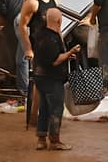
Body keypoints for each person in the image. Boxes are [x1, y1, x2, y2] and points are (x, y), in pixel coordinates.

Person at [31, 8, 81, 151]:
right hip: (51, 78)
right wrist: (70, 53)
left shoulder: (41, 34)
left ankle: (41, 139)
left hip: (40, 77)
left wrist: (66, 55)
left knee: (45, 108)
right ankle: (55, 140)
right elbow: (54, 60)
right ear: (59, 20)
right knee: (56, 109)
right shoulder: (51, 38)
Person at [19, 0, 60, 95]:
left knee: (54, 79)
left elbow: (58, 24)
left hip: (53, 46)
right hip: (38, 46)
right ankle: (35, 111)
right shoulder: (32, 2)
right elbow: (23, 26)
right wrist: (28, 48)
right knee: (40, 82)